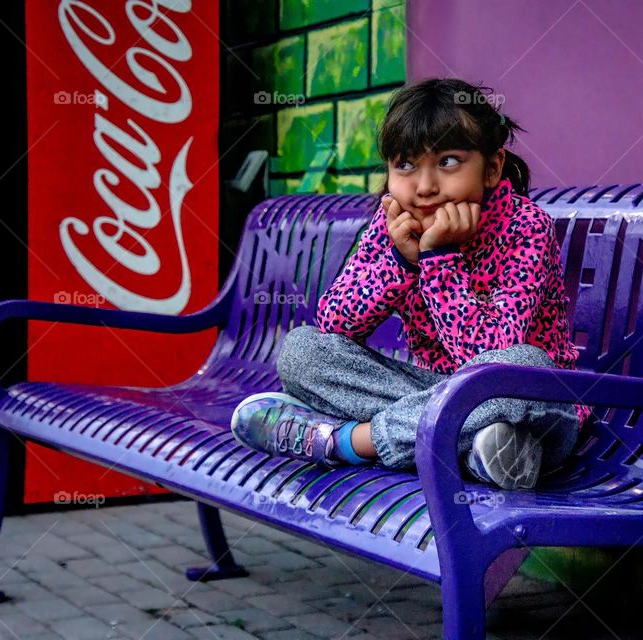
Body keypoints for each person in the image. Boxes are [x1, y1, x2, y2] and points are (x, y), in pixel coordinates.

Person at [231, 77, 591, 490]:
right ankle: (478, 454)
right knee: (302, 350)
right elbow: (335, 324)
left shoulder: (526, 228)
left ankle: (346, 443)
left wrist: (439, 261)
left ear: (492, 167)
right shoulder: (393, 228)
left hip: (536, 408)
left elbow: (490, 362)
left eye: (448, 161)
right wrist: (400, 261)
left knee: (523, 365)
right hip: (435, 397)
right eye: (405, 165)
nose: (424, 187)